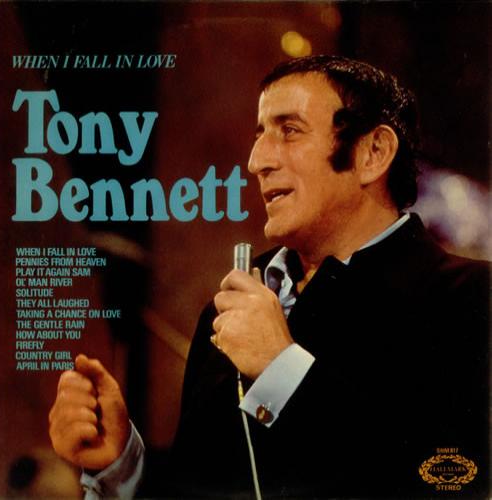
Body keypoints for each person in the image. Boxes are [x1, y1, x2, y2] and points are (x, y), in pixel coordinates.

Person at [49, 55, 489, 499]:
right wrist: (121, 465)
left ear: (372, 153)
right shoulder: (226, 312)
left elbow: (450, 484)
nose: (256, 161)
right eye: (260, 134)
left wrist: (281, 373)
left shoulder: (469, 299)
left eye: (290, 130)